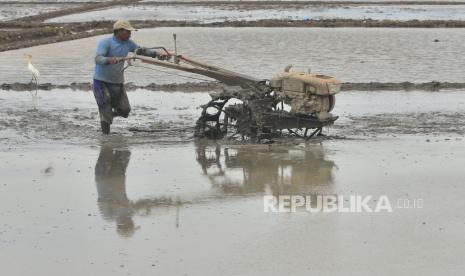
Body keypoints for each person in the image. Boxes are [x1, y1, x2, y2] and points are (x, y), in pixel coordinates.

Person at [93, 20, 169, 134]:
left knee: (125, 110)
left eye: (130, 31)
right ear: (119, 31)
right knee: (105, 108)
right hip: (101, 82)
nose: (130, 33)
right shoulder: (106, 42)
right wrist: (108, 60)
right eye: (127, 31)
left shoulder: (128, 43)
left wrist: (157, 54)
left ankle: (108, 116)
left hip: (117, 81)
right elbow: (98, 59)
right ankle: (106, 137)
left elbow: (141, 51)